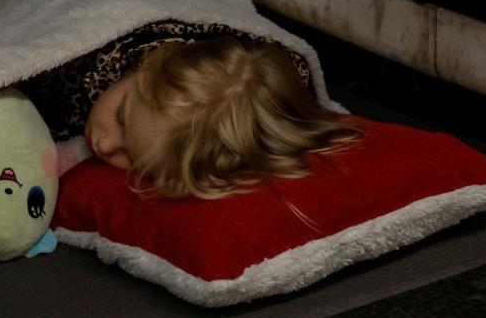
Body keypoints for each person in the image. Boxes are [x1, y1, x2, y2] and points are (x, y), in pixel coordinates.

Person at [19, 23, 363, 199]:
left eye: (134, 159)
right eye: (121, 116)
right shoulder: (81, 68)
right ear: (148, 66)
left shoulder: (260, 98)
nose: (105, 144)